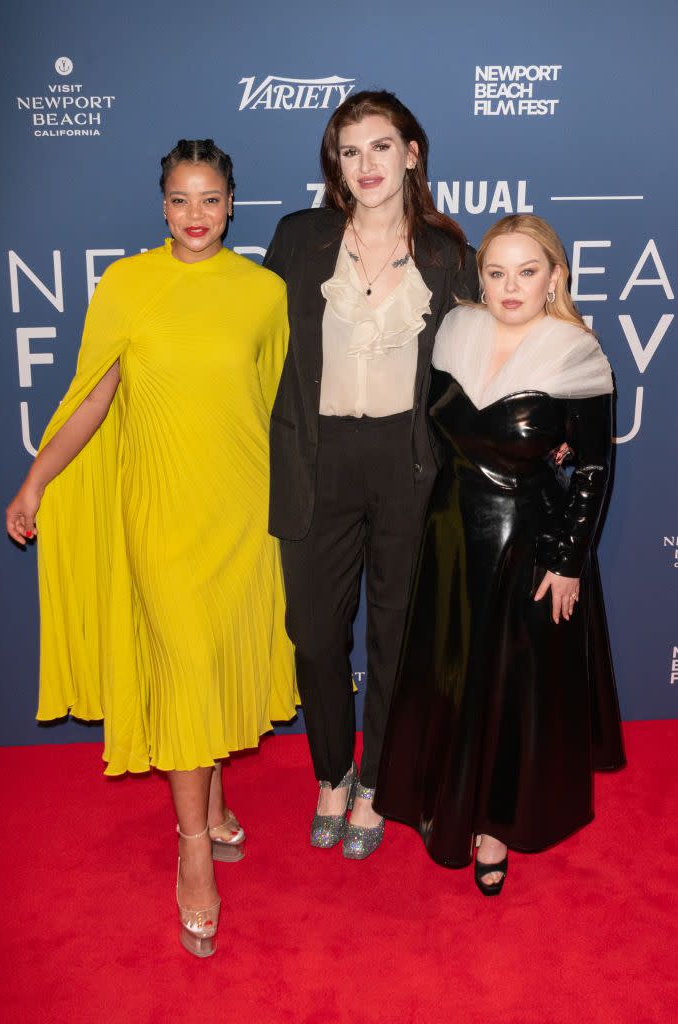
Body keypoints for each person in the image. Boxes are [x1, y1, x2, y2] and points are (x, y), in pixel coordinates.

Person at [5, 139, 296, 955]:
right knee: (186, 661)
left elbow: (278, 405)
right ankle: (193, 849)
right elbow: (93, 395)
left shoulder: (264, 292)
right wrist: (36, 481)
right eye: (179, 199)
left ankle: (215, 803)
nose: (194, 215)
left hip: (241, 513)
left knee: (213, 662)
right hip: (161, 513)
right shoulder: (126, 284)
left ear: (232, 203)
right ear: (160, 205)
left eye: (209, 199)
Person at [375, 213, 626, 893]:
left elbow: (593, 471)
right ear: (477, 276)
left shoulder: (577, 353)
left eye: (527, 271)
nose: (509, 286)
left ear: (553, 277)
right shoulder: (454, 331)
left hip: (526, 544)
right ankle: (444, 802)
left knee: (508, 690)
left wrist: (567, 561)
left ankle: (491, 828)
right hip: (451, 537)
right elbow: (434, 431)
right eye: (495, 271)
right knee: (452, 680)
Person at [263, 90, 479, 859]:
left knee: (394, 631)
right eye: (349, 151)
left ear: (410, 152)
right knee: (314, 634)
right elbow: (254, 347)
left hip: (407, 461)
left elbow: (478, 364)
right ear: (335, 163)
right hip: (315, 457)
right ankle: (332, 771)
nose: (366, 166)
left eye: (380, 147)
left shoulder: (447, 253)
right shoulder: (300, 239)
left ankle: (380, 780)